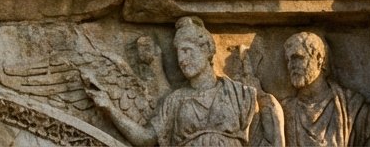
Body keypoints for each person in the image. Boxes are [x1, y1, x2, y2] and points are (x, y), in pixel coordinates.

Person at [90, 16, 266, 146]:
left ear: (206, 49)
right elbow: (146, 139)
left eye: (187, 50)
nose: (182, 59)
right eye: (178, 53)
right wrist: (110, 108)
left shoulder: (240, 94)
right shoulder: (175, 100)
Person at [282, 32, 370, 147]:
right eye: (288, 60)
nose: (291, 65)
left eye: (298, 58)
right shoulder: (285, 110)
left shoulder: (353, 107)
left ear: (319, 59)